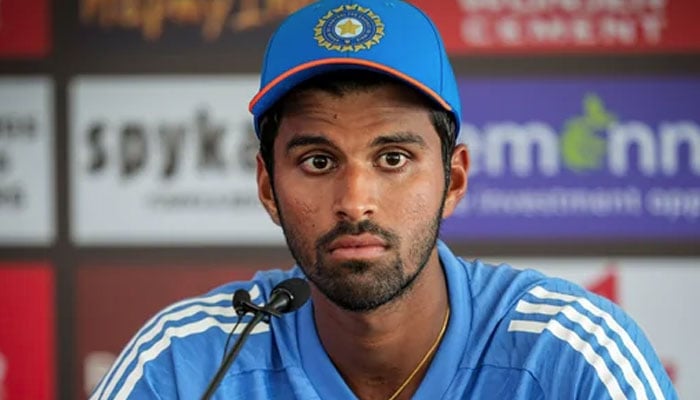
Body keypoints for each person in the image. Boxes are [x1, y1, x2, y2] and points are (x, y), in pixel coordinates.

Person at [91, 0, 677, 399]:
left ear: (453, 180)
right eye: (318, 161)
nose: (355, 201)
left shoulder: (568, 353)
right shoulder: (190, 363)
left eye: (392, 158)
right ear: (268, 187)